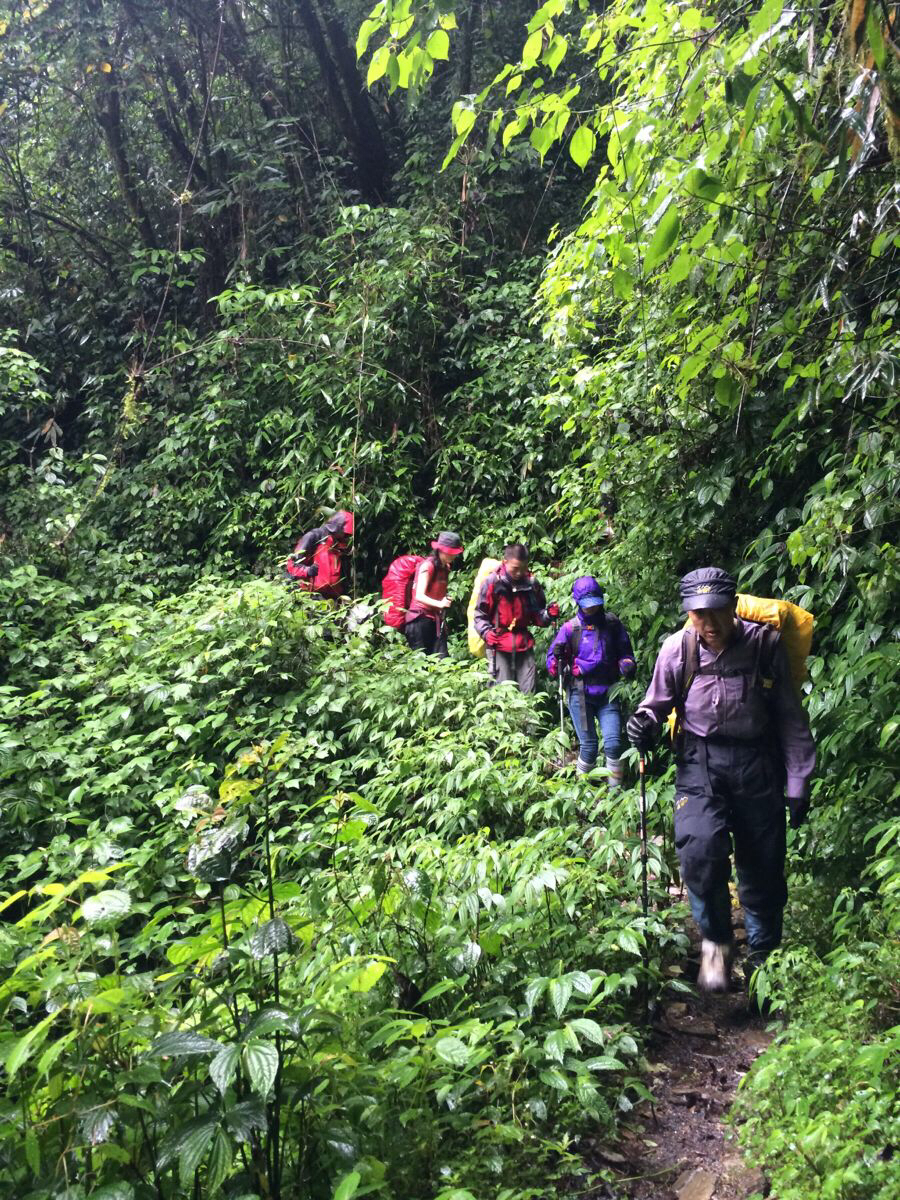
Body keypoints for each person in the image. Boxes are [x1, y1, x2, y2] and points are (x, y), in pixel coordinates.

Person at [626, 567, 816, 992]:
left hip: (757, 763)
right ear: (688, 614)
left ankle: (765, 967)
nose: (708, 624)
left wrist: (798, 781)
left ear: (733, 607)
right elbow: (655, 705)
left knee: (762, 863)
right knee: (699, 852)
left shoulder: (764, 646)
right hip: (700, 763)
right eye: (697, 614)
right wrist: (643, 723)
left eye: (715, 612)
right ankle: (715, 944)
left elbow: (789, 716)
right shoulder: (678, 649)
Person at [546, 576, 636, 783]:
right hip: (580, 693)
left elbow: (626, 653)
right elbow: (552, 663)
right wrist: (558, 664)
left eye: (595, 605)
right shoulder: (570, 629)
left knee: (613, 744)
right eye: (587, 606)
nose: (591, 609)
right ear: (578, 602)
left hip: (608, 691)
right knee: (589, 746)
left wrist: (627, 664)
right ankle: (582, 794)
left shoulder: (612, 624)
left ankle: (615, 796)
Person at [473, 544, 558, 692]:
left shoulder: (531, 583)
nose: (519, 573)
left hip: (523, 644)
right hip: (498, 644)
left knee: (529, 693)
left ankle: (527, 716)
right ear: (504, 561)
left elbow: (538, 615)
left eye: (523, 568)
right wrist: (486, 633)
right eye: (515, 568)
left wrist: (548, 615)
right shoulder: (493, 582)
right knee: (502, 694)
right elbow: (480, 615)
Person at [404, 531, 464, 656]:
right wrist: (440, 603)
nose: (454, 556)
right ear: (442, 550)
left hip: (435, 620)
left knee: (442, 660)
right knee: (422, 663)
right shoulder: (428, 566)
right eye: (452, 552)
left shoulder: (445, 567)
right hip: (419, 620)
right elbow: (419, 595)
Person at [285, 510, 354, 598]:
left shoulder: (339, 544)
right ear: (337, 527)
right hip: (309, 594)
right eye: (345, 533)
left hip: (332, 596)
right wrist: (307, 571)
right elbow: (292, 564)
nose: (346, 535)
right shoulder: (314, 536)